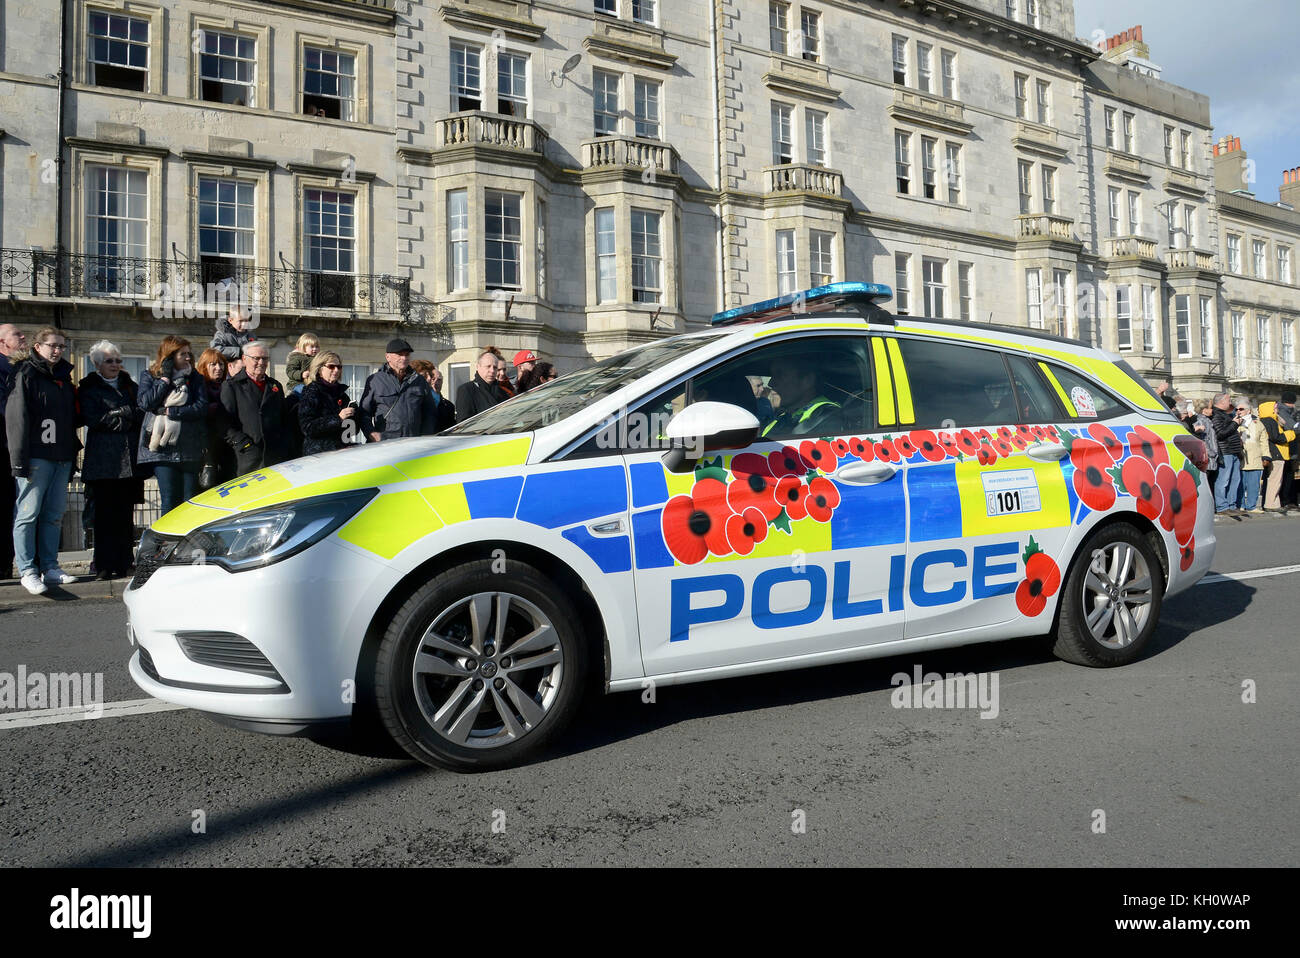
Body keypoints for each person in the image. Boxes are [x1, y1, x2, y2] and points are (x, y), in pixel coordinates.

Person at [6, 327, 80, 594]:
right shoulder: (25, 373)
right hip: (37, 456)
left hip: (60, 456)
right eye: (52, 345)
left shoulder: (63, 379)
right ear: (38, 347)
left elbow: (71, 421)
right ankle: (27, 570)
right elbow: (17, 419)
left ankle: (50, 567)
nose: (58, 350)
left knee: (53, 516)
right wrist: (18, 460)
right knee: (27, 514)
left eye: (62, 346)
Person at [79, 341, 145, 579]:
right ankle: (104, 564)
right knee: (104, 517)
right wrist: (122, 415)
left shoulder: (130, 386)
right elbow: (93, 418)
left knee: (125, 516)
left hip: (128, 461)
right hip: (103, 461)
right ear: (97, 364)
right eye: (109, 361)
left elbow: (141, 412)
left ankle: (126, 561)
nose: (115, 365)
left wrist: (122, 415)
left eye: (118, 360)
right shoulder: (89, 386)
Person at [137, 336, 207, 516]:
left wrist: (172, 413)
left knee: (190, 501)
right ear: (170, 356)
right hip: (162, 449)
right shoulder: (150, 375)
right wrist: (165, 379)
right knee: (169, 500)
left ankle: (188, 542)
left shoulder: (195, 378)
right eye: (182, 354)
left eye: (189, 354)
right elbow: (146, 403)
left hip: (189, 449)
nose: (188, 358)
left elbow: (200, 407)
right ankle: (167, 543)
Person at [221, 342, 289, 475]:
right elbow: (225, 422)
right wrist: (244, 444)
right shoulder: (232, 386)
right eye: (256, 358)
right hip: (248, 457)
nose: (261, 362)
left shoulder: (275, 386)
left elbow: (284, 419)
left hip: (274, 456)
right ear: (244, 359)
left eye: (264, 358)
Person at [359, 338, 438, 441]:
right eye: (400, 354)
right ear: (388, 357)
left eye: (407, 354)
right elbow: (364, 413)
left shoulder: (419, 381)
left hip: (413, 443)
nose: (404, 358)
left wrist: (425, 436)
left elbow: (430, 412)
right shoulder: (375, 380)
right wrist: (371, 434)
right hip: (385, 442)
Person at [0, 323, 27, 578]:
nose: (23, 338)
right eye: (17, 335)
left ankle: (5, 567)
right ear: (2, 343)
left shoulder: (22, 369)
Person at [297, 351, 358, 455]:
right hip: (319, 454)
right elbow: (308, 427)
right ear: (320, 369)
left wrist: (355, 416)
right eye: (331, 366)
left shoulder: (342, 394)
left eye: (339, 367)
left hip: (342, 452)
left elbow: (352, 430)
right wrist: (338, 418)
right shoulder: (311, 391)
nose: (336, 370)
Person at [196, 347, 237, 490]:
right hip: (206, 447)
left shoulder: (229, 387)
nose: (218, 368)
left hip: (227, 445)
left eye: (221, 364)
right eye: (213, 364)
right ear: (204, 366)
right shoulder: (198, 388)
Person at [1259, 395, 1295, 513]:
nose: (1277, 410)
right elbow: (1276, 437)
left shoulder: (1270, 420)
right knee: (1275, 480)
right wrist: (1290, 434)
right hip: (1276, 453)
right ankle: (1271, 504)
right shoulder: (1269, 420)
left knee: (1274, 480)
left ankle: (1274, 503)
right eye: (1274, 408)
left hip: (1275, 453)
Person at [1211, 392, 1244, 516]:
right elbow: (1220, 434)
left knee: (1235, 479)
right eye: (1228, 400)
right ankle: (1221, 506)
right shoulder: (1216, 415)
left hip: (1233, 450)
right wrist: (1235, 423)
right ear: (1221, 401)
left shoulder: (1224, 414)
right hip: (1225, 451)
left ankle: (1232, 504)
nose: (1230, 403)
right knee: (1223, 479)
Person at [1236, 400, 1270, 514]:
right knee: (1240, 484)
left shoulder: (1258, 423)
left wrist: (1266, 456)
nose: (1238, 411)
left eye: (1241, 409)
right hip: (1241, 458)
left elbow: (1263, 441)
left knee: (1254, 484)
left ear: (1248, 410)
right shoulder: (1235, 422)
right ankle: (1240, 505)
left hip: (1255, 457)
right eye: (1237, 409)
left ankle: (1251, 506)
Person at [456, 350, 507, 422]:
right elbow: (464, 423)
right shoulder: (466, 390)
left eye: (495, 367)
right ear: (478, 367)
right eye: (488, 366)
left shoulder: (503, 393)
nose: (492, 371)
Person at [410, 360, 456, 433]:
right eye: (425, 376)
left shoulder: (447, 405)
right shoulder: (408, 400)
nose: (429, 379)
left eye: (430, 375)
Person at [210, 304, 257, 371]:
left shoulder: (251, 335)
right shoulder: (222, 334)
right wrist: (238, 351)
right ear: (230, 320)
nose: (244, 324)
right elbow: (215, 349)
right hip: (227, 371)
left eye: (246, 320)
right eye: (240, 321)